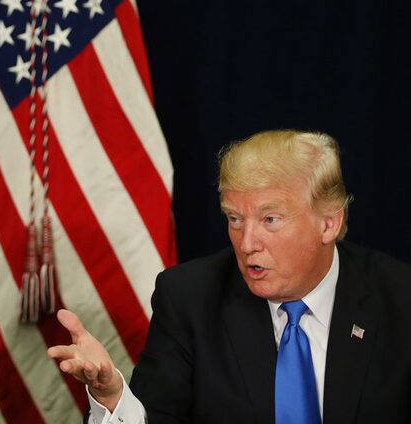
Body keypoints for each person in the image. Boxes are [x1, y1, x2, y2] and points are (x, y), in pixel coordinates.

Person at [48, 129, 411, 423]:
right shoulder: (190, 298)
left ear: (329, 223)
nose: (247, 243)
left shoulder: (398, 297)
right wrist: (112, 397)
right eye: (235, 219)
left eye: (270, 220)